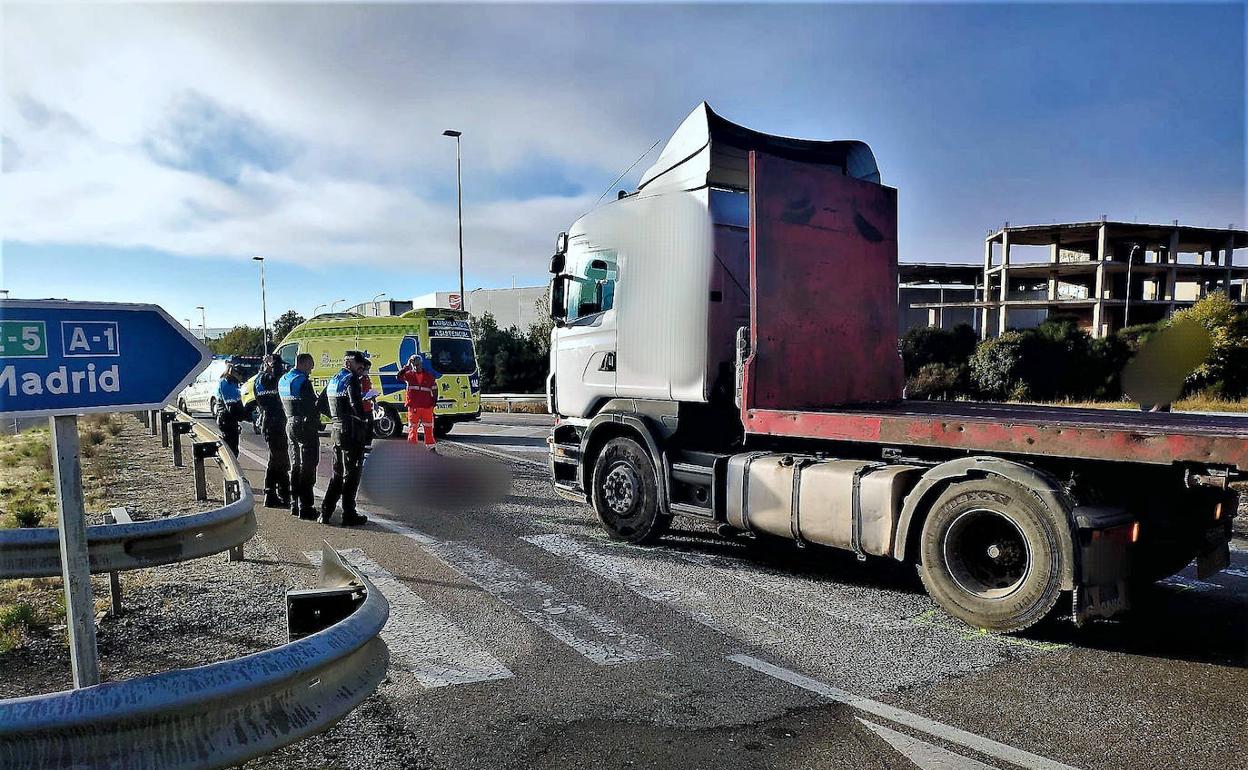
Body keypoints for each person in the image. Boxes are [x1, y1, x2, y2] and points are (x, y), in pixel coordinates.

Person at [321, 351, 370, 526]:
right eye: (360, 365)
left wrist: (336, 418)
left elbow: (320, 404)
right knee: (352, 474)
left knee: (337, 473)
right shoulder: (351, 380)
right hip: (351, 432)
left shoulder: (334, 379)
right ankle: (349, 513)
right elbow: (356, 405)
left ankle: (325, 512)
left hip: (336, 431)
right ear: (350, 363)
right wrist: (362, 419)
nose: (362, 368)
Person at [280, 353, 320, 520]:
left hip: (289, 423)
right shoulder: (303, 381)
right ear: (304, 364)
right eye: (311, 366)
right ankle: (306, 506)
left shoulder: (283, 380)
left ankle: (294, 504)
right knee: (308, 466)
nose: (311, 370)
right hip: (304, 425)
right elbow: (311, 406)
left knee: (295, 465)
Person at [254, 354, 291, 509]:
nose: (280, 368)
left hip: (275, 422)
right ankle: (270, 494)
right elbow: (273, 391)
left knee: (280, 459)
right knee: (276, 459)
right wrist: (275, 370)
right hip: (272, 422)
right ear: (269, 365)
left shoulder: (263, 379)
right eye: (277, 365)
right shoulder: (264, 380)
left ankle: (283, 493)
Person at [397, 353, 442, 450]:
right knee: (413, 428)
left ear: (421, 364)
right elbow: (398, 377)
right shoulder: (409, 375)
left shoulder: (429, 376)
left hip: (427, 406)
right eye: (414, 365)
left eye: (417, 364)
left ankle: (430, 446)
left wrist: (434, 402)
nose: (415, 367)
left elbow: (435, 389)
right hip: (414, 406)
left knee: (428, 427)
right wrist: (407, 366)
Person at [214, 363, 245, 456]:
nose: (242, 378)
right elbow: (231, 406)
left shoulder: (232, 383)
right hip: (226, 419)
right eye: (240, 375)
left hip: (229, 419)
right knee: (231, 450)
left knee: (233, 448)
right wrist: (242, 416)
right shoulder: (226, 383)